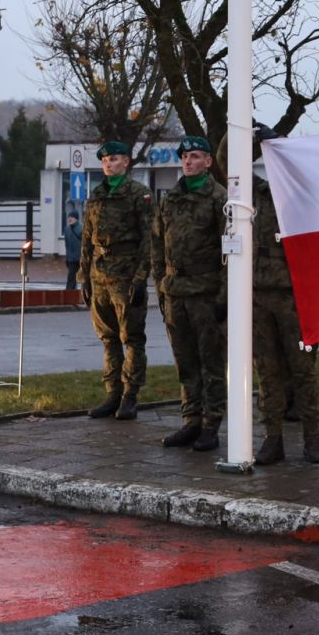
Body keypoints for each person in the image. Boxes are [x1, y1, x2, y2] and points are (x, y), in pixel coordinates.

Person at [251, 125, 319, 465]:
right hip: (258, 296)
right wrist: (251, 140)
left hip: (296, 299)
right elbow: (226, 163)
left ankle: (312, 439)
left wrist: (278, 138)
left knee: (303, 371)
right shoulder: (258, 195)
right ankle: (273, 438)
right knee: (267, 372)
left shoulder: (302, 197)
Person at [151, 134, 227, 452]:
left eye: (195, 156)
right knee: (185, 362)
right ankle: (190, 421)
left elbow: (229, 250)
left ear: (208, 161)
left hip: (205, 292)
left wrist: (223, 297)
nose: (188, 161)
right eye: (184, 157)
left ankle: (211, 425)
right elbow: (157, 243)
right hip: (175, 292)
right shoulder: (171, 198)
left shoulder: (219, 198)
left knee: (210, 362)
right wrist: (160, 285)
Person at [79, 142, 152, 420]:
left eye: (115, 159)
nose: (110, 164)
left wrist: (141, 278)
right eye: (106, 160)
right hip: (100, 275)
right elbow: (87, 238)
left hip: (126, 273)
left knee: (131, 338)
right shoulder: (96, 195)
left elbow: (148, 240)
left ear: (126, 162)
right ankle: (113, 392)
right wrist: (83, 277)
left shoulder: (138, 195)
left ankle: (130, 396)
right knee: (108, 338)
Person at [62, 211, 82, 292]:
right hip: (71, 258)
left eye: (72, 217)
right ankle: (69, 293)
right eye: (69, 217)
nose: (70, 218)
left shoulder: (82, 228)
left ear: (76, 219)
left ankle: (86, 293)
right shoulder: (66, 229)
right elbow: (66, 244)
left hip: (81, 257)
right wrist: (67, 257)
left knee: (84, 277)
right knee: (71, 276)